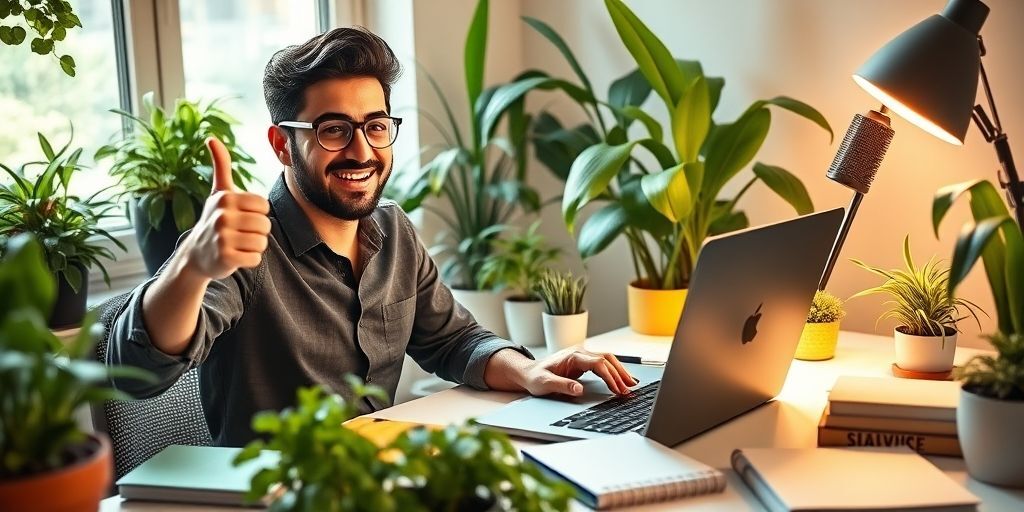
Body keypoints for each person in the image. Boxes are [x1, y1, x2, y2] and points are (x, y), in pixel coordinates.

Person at [106, 27, 636, 447]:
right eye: (333, 129)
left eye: (376, 126)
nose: (362, 151)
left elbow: (454, 341)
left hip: (375, 480)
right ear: (283, 145)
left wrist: (530, 370)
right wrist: (192, 266)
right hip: (279, 493)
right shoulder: (244, 247)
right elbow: (134, 376)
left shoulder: (393, 228)